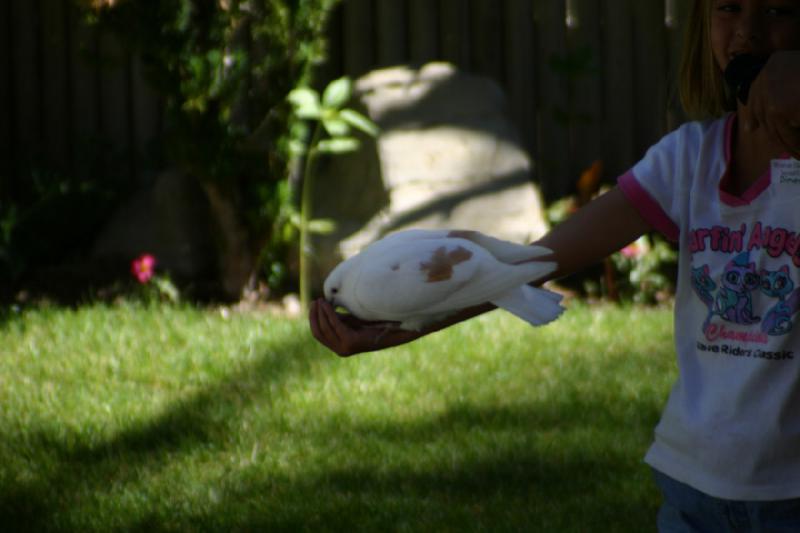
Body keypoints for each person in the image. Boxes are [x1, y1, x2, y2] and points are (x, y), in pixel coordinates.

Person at [310, 0, 800, 530]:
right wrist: (411, 322)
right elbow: (535, 262)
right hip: (692, 485)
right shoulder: (688, 160)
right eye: (728, 6)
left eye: (778, 8)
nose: (747, 33)